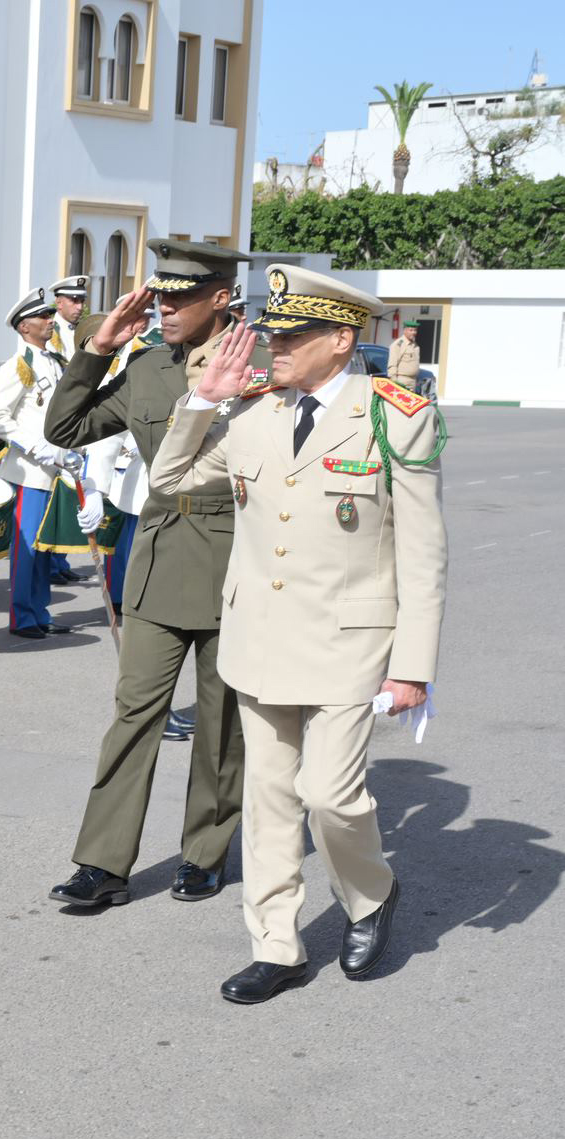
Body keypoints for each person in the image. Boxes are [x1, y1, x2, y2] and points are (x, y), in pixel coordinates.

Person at [152, 262, 447, 1004]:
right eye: (273, 334)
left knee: (329, 796)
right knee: (270, 798)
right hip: (259, 638)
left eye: (293, 335)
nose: (274, 347)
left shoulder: (396, 416)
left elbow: (422, 553)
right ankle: (276, 946)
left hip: (351, 642)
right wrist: (202, 400)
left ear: (340, 340)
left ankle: (371, 895)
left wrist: (413, 667)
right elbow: (169, 481)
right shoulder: (252, 412)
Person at [40, 240, 261, 909]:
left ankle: (204, 853)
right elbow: (65, 428)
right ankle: (102, 862)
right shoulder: (146, 367)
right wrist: (98, 348)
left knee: (221, 723)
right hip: (160, 557)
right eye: (159, 297)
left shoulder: (262, 364)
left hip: (237, 560)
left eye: (180, 299)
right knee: (134, 713)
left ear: (220, 298)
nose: (164, 309)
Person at [0, 288, 84, 640]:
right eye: (43, 316)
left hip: (56, 468)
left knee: (45, 546)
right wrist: (37, 446)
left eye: (50, 315)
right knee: (27, 548)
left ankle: (40, 611)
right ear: (24, 326)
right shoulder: (18, 365)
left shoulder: (54, 361)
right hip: (29, 471)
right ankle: (23, 615)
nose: (50, 320)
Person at [48, 274, 88, 358]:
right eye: (74, 301)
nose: (80, 307)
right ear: (59, 303)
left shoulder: (84, 331)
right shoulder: (50, 332)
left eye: (82, 301)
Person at [388, 320, 421, 391]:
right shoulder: (398, 345)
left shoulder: (415, 345)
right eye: (411, 330)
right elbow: (392, 364)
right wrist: (394, 381)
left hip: (413, 381)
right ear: (405, 331)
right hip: (402, 381)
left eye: (415, 330)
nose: (413, 332)